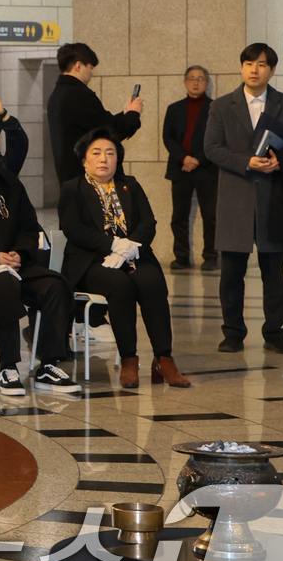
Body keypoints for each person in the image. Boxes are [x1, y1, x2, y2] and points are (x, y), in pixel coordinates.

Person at [204, 43, 283, 356]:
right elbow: (211, 148)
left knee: (274, 274)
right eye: (249, 63)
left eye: (262, 64)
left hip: (274, 200)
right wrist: (246, 161)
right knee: (231, 275)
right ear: (241, 67)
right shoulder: (222, 106)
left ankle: (275, 333)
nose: (254, 70)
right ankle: (233, 334)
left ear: (272, 70)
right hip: (235, 200)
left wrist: (282, 160)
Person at [59, 128, 189, 389]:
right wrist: (113, 244)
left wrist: (130, 246)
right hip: (92, 261)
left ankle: (164, 359)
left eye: (110, 153)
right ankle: (129, 359)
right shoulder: (73, 188)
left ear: (117, 159)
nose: (103, 159)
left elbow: (148, 222)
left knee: (152, 283)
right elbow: (73, 229)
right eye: (96, 153)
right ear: (84, 159)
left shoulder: (130, 185)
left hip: (133, 255)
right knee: (120, 286)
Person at [0, 107, 79, 397]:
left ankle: (48, 364)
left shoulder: (9, 182)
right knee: (2, 284)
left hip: (14, 265)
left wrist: (19, 253)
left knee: (55, 285)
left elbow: (29, 228)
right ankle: (8, 367)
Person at [46, 42, 143, 184]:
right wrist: (133, 114)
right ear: (79, 66)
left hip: (71, 177)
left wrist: (125, 113)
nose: (92, 74)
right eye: (90, 68)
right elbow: (110, 132)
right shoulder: (78, 95)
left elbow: (97, 123)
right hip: (89, 179)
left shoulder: (57, 95)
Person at [162, 66, 218, 272]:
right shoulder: (174, 109)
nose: (196, 82)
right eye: (192, 78)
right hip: (180, 168)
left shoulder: (215, 109)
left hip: (207, 169)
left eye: (200, 79)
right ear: (185, 82)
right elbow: (168, 137)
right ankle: (182, 256)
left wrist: (198, 160)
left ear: (207, 83)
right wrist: (184, 158)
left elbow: (217, 139)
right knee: (179, 217)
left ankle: (211, 256)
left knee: (211, 217)